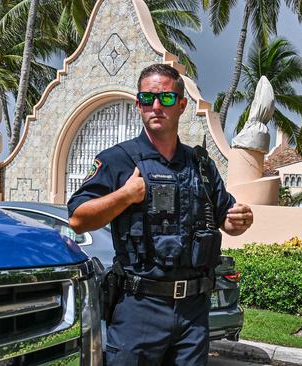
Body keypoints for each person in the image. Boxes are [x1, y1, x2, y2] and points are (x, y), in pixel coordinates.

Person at [68, 63, 253, 365]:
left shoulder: (201, 166)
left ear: (181, 105)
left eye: (166, 99)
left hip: (193, 311)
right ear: (138, 104)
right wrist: (125, 195)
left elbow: (227, 219)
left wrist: (240, 219)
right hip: (139, 308)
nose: (156, 106)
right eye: (147, 99)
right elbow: (78, 218)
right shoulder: (118, 160)